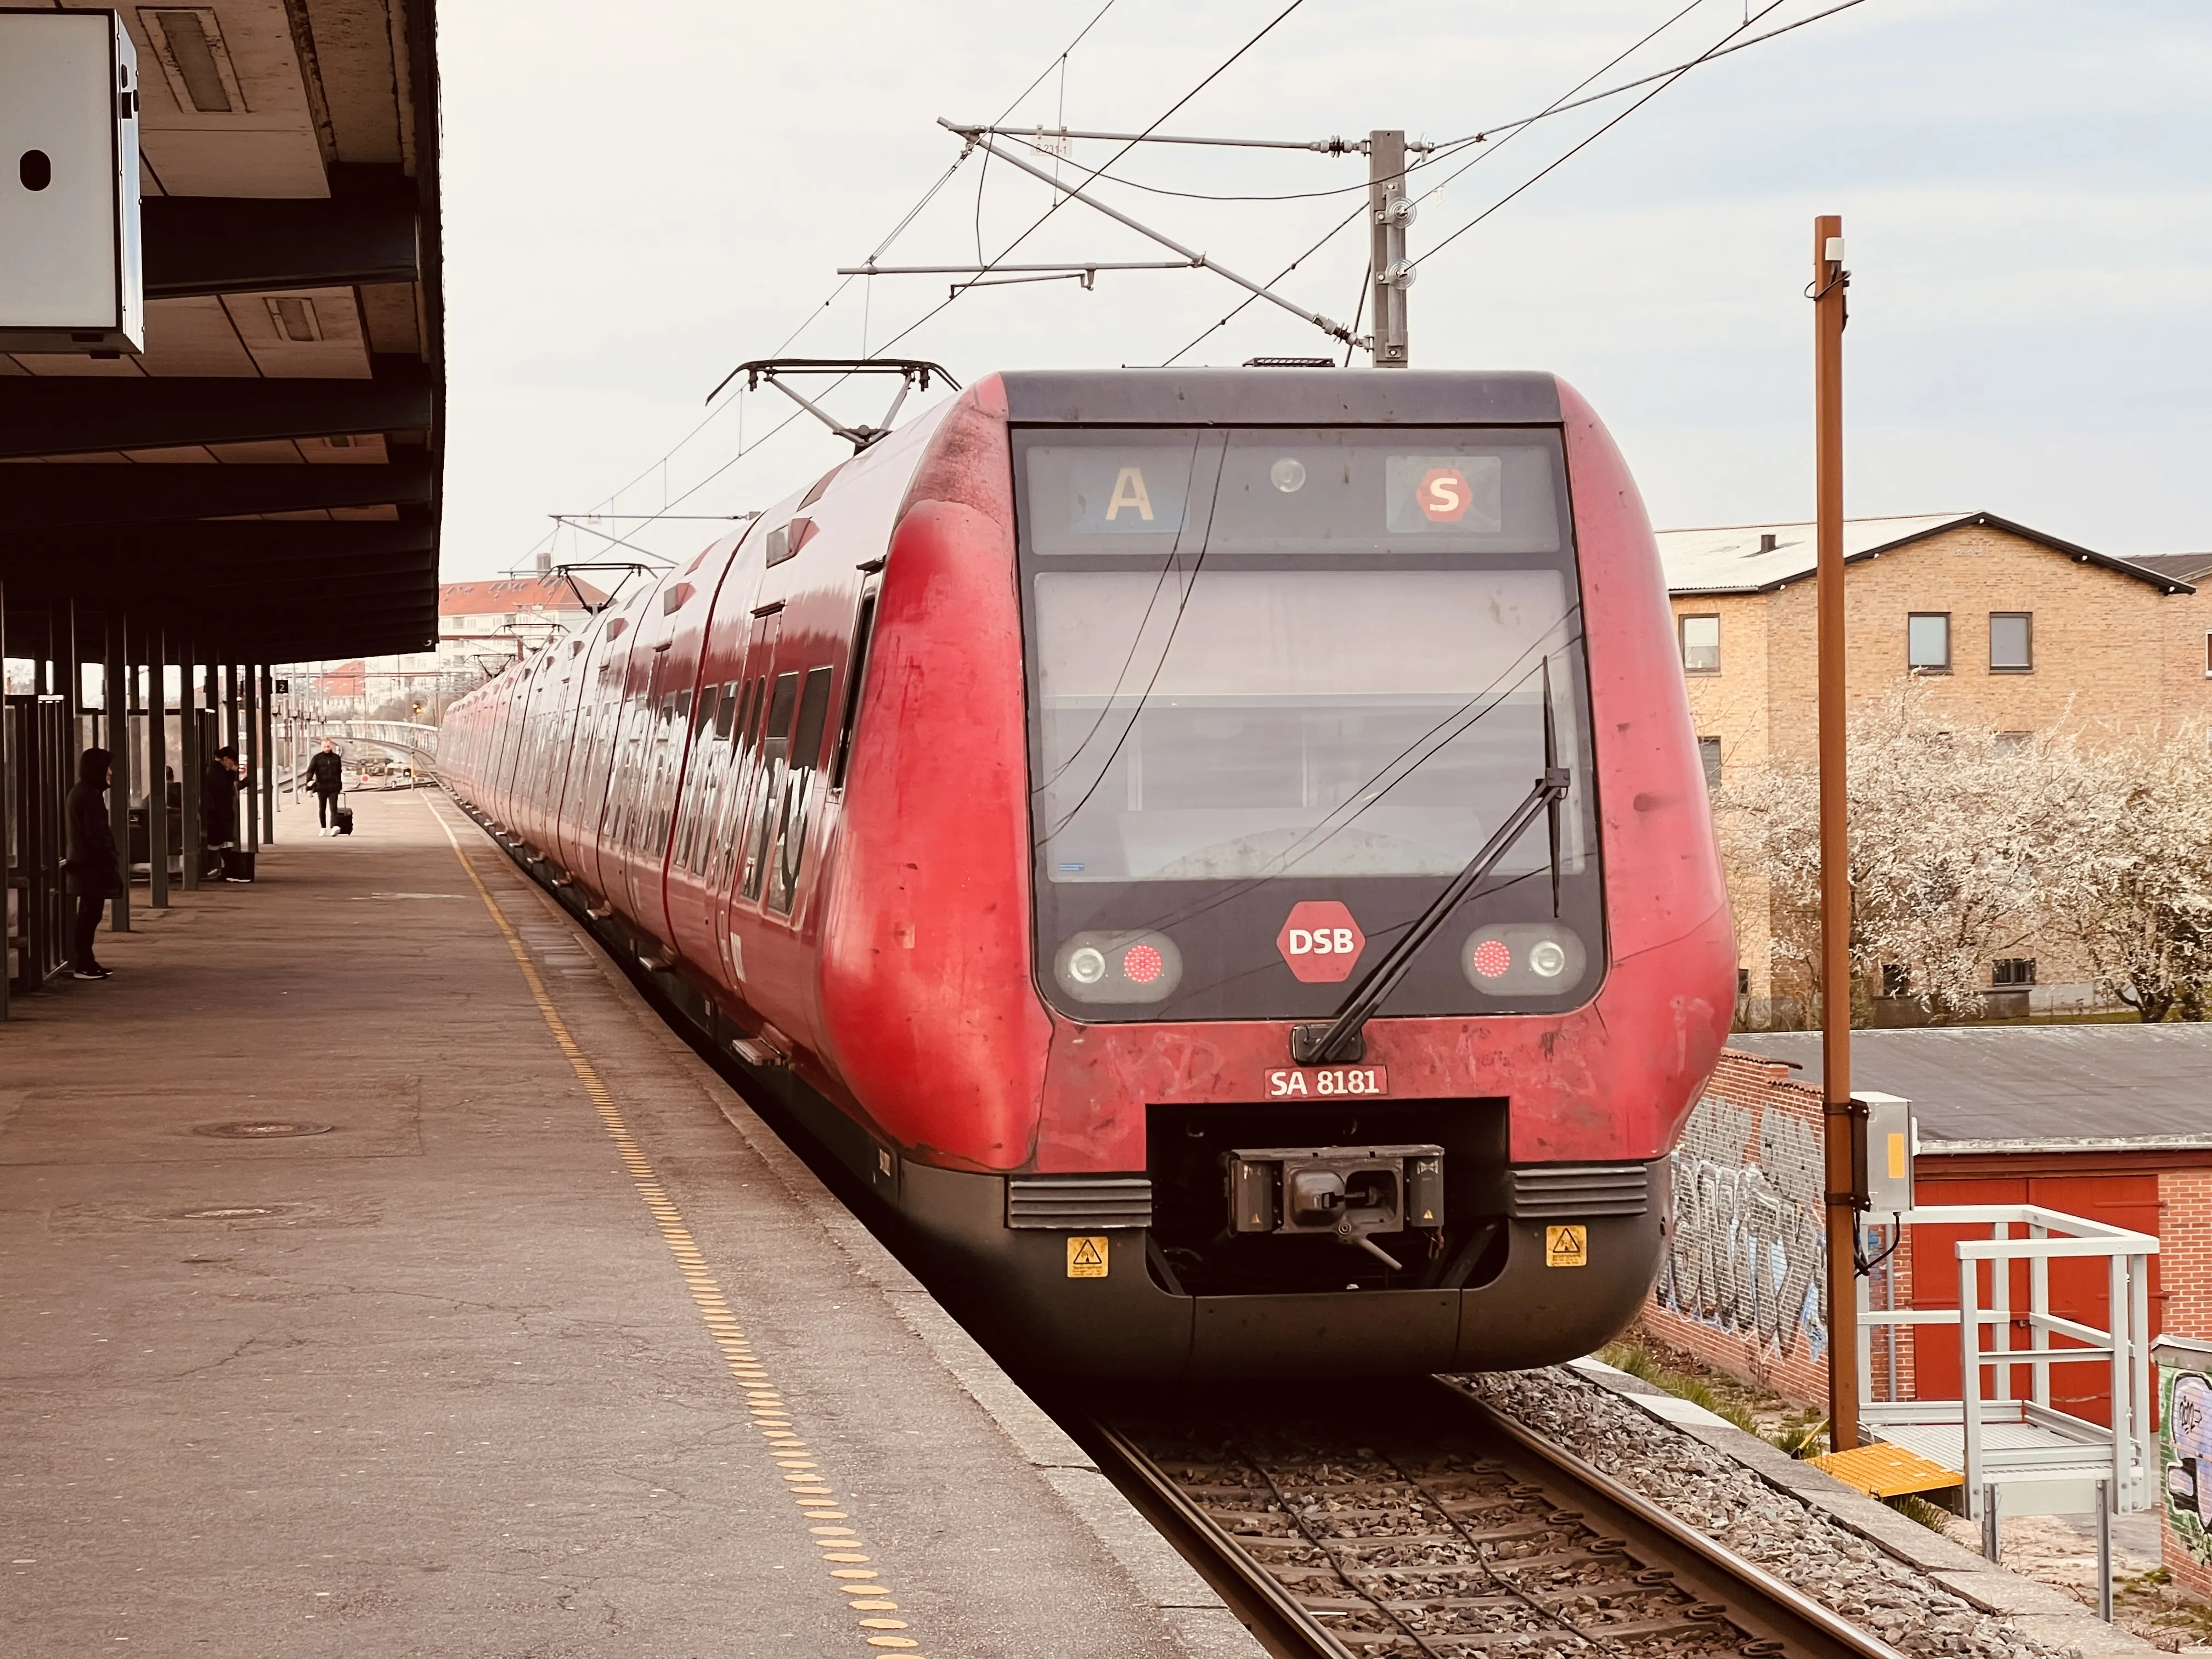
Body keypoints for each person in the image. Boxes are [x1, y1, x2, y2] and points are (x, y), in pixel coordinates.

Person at [64, 747, 122, 980]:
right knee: (90, 915)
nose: (111, 773)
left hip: (85, 864)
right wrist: (109, 856)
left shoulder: (82, 793)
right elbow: (96, 833)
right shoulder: (90, 796)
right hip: (91, 866)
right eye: (108, 768)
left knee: (89, 914)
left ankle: (86, 961)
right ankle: (84, 964)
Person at [202, 744, 249, 883]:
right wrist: (239, 781)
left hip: (220, 812)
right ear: (225, 758)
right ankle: (222, 870)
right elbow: (226, 789)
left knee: (223, 843)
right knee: (220, 842)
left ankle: (227, 870)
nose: (233, 764)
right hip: (218, 813)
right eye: (232, 761)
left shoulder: (218, 770)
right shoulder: (217, 771)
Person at [304, 738, 345, 835]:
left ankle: (334, 827)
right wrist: (309, 780)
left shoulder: (336, 758)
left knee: (333, 807)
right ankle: (323, 827)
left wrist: (339, 785)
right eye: (325, 747)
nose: (327, 748)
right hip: (321, 787)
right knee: (322, 807)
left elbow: (339, 772)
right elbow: (310, 770)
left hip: (334, 787)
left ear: (331, 746)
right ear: (322, 747)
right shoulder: (317, 758)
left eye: (328, 746)